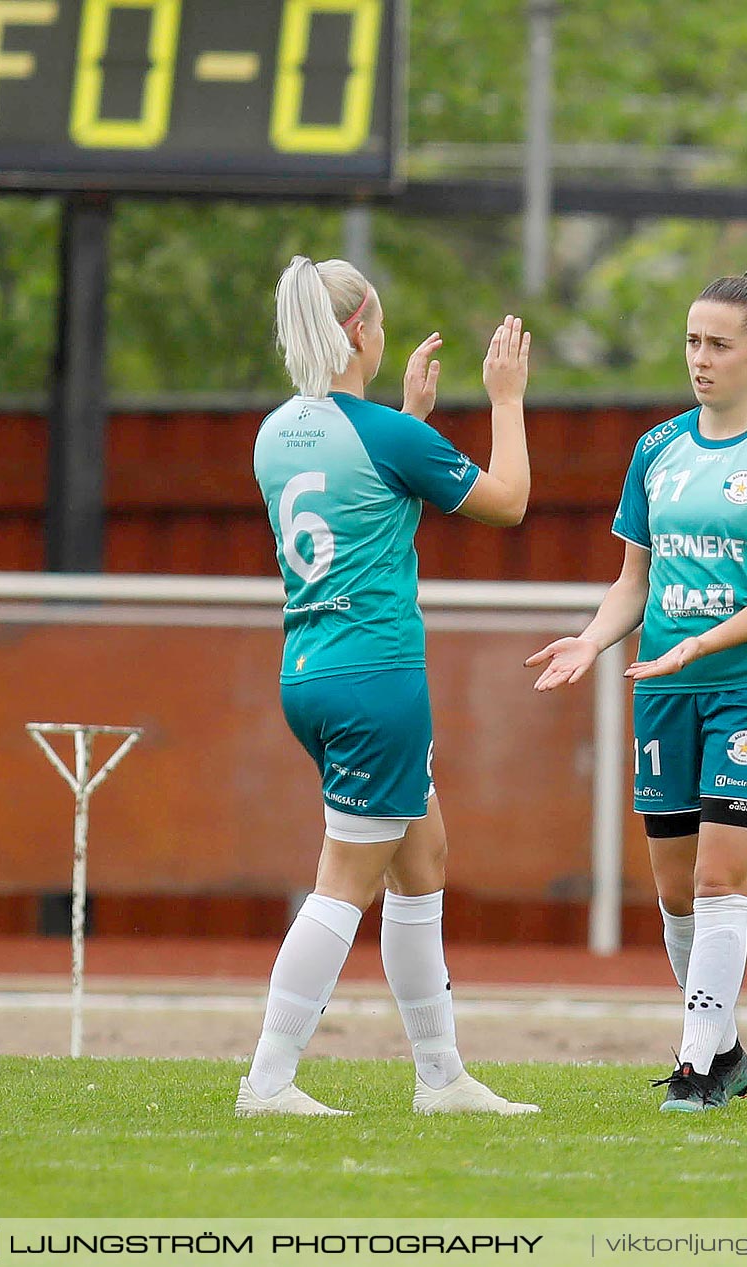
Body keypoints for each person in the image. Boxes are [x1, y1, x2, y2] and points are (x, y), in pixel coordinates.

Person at [239, 256, 538, 1116]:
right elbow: (509, 500)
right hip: (378, 679)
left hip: (310, 671)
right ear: (363, 330)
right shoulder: (384, 435)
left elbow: (367, 499)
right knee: (344, 880)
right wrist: (506, 397)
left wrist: (408, 417)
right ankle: (269, 1077)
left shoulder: (275, 432)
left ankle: (440, 1076)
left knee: (423, 858)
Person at [527, 269, 747, 1112]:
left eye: (719, 345)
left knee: (718, 878)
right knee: (671, 890)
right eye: (693, 341)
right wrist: (591, 639)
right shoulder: (656, 449)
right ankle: (726, 1049)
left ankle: (696, 1067)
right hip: (661, 687)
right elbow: (634, 581)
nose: (701, 359)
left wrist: (700, 639)